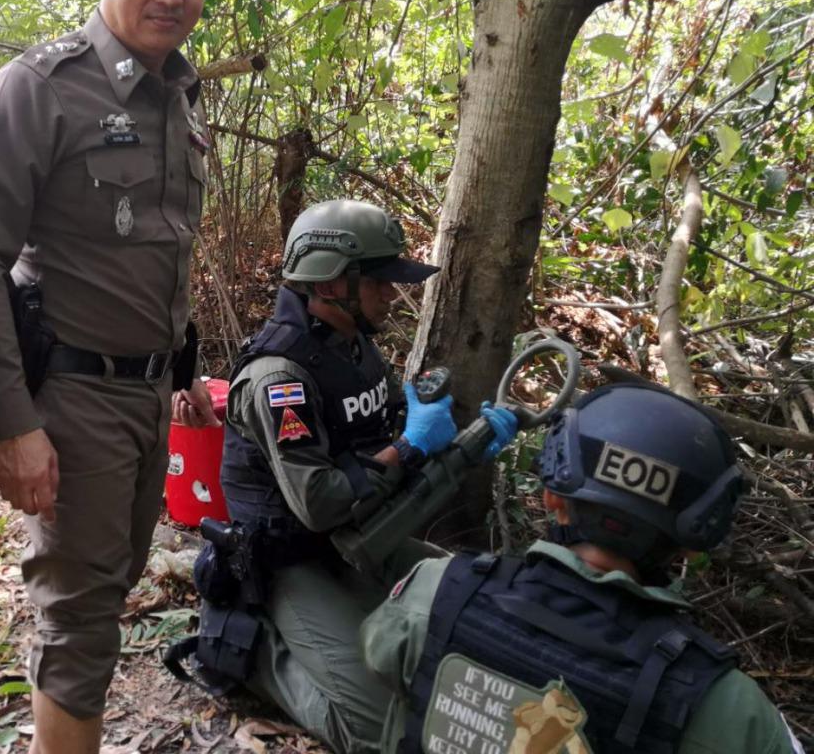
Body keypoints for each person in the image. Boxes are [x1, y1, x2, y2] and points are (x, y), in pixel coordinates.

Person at [0, 0, 216, 754]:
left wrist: (182, 374)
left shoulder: (176, 93)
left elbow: (157, 250)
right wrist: (16, 427)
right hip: (73, 396)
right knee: (80, 623)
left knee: (108, 590)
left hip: (146, 397)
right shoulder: (39, 89)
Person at [174, 199, 519, 754]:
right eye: (379, 280)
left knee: (478, 605)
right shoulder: (279, 377)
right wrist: (409, 446)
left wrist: (461, 444)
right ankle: (253, 651)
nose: (392, 294)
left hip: (356, 539)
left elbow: (380, 438)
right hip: (289, 560)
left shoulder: (352, 345)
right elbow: (320, 502)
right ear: (331, 283)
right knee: (377, 730)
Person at [361, 383, 805, 753]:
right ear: (690, 547)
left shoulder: (437, 591)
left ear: (552, 498)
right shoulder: (724, 706)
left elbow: (378, 655)